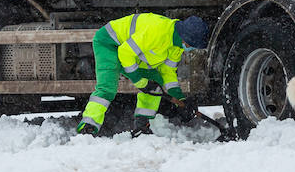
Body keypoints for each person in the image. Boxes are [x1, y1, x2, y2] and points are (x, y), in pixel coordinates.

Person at [77, 13, 209, 137]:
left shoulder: (176, 47)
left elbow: (167, 73)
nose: (190, 49)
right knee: (107, 87)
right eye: (191, 46)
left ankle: (142, 125)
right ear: (185, 38)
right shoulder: (157, 32)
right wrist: (140, 82)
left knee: (155, 81)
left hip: (130, 55)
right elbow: (125, 52)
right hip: (110, 43)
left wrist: (181, 99)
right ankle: (88, 125)